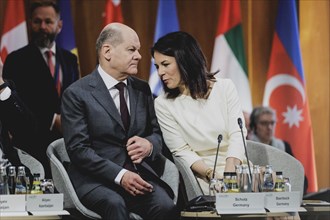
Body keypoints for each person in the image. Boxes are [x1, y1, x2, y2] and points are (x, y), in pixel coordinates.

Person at [61, 23, 178, 220]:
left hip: (138, 177)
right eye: (132, 49)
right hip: (95, 181)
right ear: (107, 52)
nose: (139, 56)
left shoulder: (142, 89)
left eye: (138, 50)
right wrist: (120, 175)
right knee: (115, 205)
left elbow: (157, 134)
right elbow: (78, 149)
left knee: (166, 207)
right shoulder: (76, 94)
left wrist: (149, 145)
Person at [151, 31, 247, 195]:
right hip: (203, 175)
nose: (160, 72)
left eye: (165, 64)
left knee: (281, 207)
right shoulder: (162, 104)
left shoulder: (225, 87)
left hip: (236, 166)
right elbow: (181, 150)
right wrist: (213, 175)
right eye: (157, 66)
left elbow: (238, 134)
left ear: (185, 61)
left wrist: (230, 174)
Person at [2, 0, 79, 178]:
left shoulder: (69, 59)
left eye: (48, 22)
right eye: (37, 21)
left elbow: (73, 95)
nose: (42, 26)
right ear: (30, 23)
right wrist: (52, 119)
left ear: (59, 25)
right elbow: (14, 103)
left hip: (65, 142)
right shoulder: (16, 59)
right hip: (32, 142)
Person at [248, 106, 308, 194]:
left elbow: (300, 178)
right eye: (264, 123)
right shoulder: (247, 146)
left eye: (272, 123)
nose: (269, 127)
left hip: (282, 198)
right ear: (254, 126)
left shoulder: (284, 146)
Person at [0, 58, 34, 179]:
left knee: (55, 197)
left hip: (12, 177)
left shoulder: (5, 88)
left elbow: (25, 130)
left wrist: (1, 86)